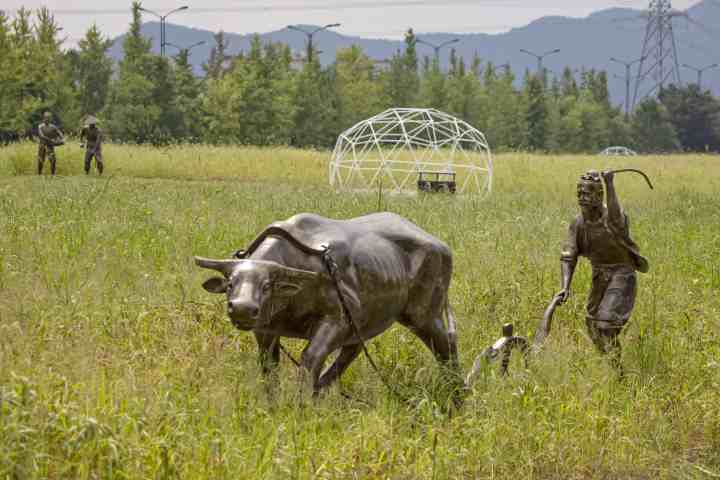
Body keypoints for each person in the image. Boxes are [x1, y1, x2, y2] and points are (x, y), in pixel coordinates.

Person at [557, 170, 649, 373]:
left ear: (599, 196)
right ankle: (615, 367)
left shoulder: (613, 218)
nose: (582, 198)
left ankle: (619, 372)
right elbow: (568, 255)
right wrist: (565, 287)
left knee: (606, 325)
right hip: (599, 276)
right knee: (592, 325)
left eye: (587, 193)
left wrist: (609, 184)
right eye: (579, 193)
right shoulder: (578, 224)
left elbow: (617, 217)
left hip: (622, 274)